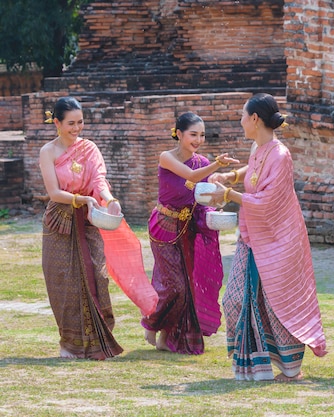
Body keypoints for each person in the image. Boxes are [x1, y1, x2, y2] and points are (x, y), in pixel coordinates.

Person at [208, 93, 327, 381]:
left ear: (255, 119)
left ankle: (290, 369)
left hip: (280, 240)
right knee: (235, 299)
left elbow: (269, 200)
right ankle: (254, 364)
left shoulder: (281, 154)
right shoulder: (258, 148)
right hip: (252, 236)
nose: (240, 121)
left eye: (242, 116)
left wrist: (228, 195)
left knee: (278, 303)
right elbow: (253, 170)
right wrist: (231, 177)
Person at [39, 96, 133, 360]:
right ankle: (69, 342)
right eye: (70, 123)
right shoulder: (48, 151)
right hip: (59, 221)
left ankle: (99, 339)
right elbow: (54, 192)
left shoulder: (90, 148)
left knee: (97, 277)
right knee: (64, 281)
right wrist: (80, 199)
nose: (76, 128)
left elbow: (98, 179)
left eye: (80, 122)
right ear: (56, 123)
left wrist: (110, 199)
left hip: (89, 219)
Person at [141, 112, 238, 354]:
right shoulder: (167, 157)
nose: (198, 139)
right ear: (179, 133)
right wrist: (218, 164)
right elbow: (192, 177)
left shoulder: (203, 162)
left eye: (202, 135)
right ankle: (151, 323)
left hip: (189, 228)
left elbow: (202, 197)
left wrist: (216, 205)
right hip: (163, 226)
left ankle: (166, 338)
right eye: (193, 134)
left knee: (186, 286)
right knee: (174, 286)